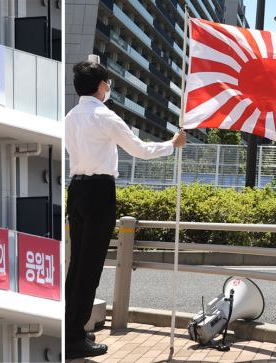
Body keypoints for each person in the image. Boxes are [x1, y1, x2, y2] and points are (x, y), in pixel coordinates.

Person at [65, 59, 186, 359]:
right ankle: (74, 338)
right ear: (100, 85)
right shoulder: (105, 117)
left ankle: (71, 328)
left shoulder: (69, 117)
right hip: (99, 191)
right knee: (90, 266)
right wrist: (172, 144)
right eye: (107, 83)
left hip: (76, 190)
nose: (109, 88)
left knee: (77, 263)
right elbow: (140, 150)